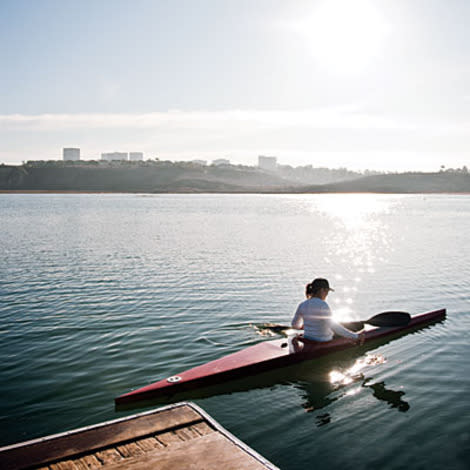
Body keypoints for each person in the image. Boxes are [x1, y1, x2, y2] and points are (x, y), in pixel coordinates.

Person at [291, 278, 365, 344]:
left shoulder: (302, 304)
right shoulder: (322, 305)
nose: (327, 294)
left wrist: (307, 326)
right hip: (323, 340)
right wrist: (355, 336)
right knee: (342, 329)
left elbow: (294, 325)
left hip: (308, 339)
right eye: (327, 291)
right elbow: (334, 326)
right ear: (322, 290)